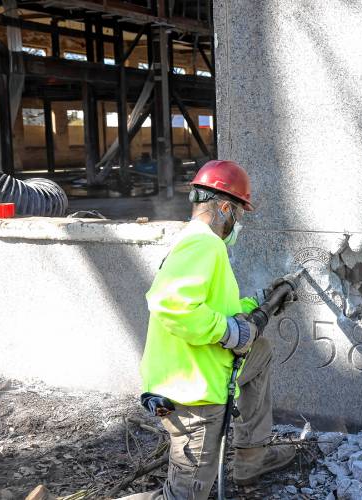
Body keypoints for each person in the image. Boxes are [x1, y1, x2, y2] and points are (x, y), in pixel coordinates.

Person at [122, 160, 296, 499]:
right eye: (239, 214)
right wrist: (231, 334)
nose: (238, 223)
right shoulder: (205, 243)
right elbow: (172, 304)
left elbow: (217, 311)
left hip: (196, 369)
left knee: (260, 351)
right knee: (186, 496)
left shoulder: (196, 242)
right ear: (225, 208)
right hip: (193, 393)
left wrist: (260, 303)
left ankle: (251, 458)